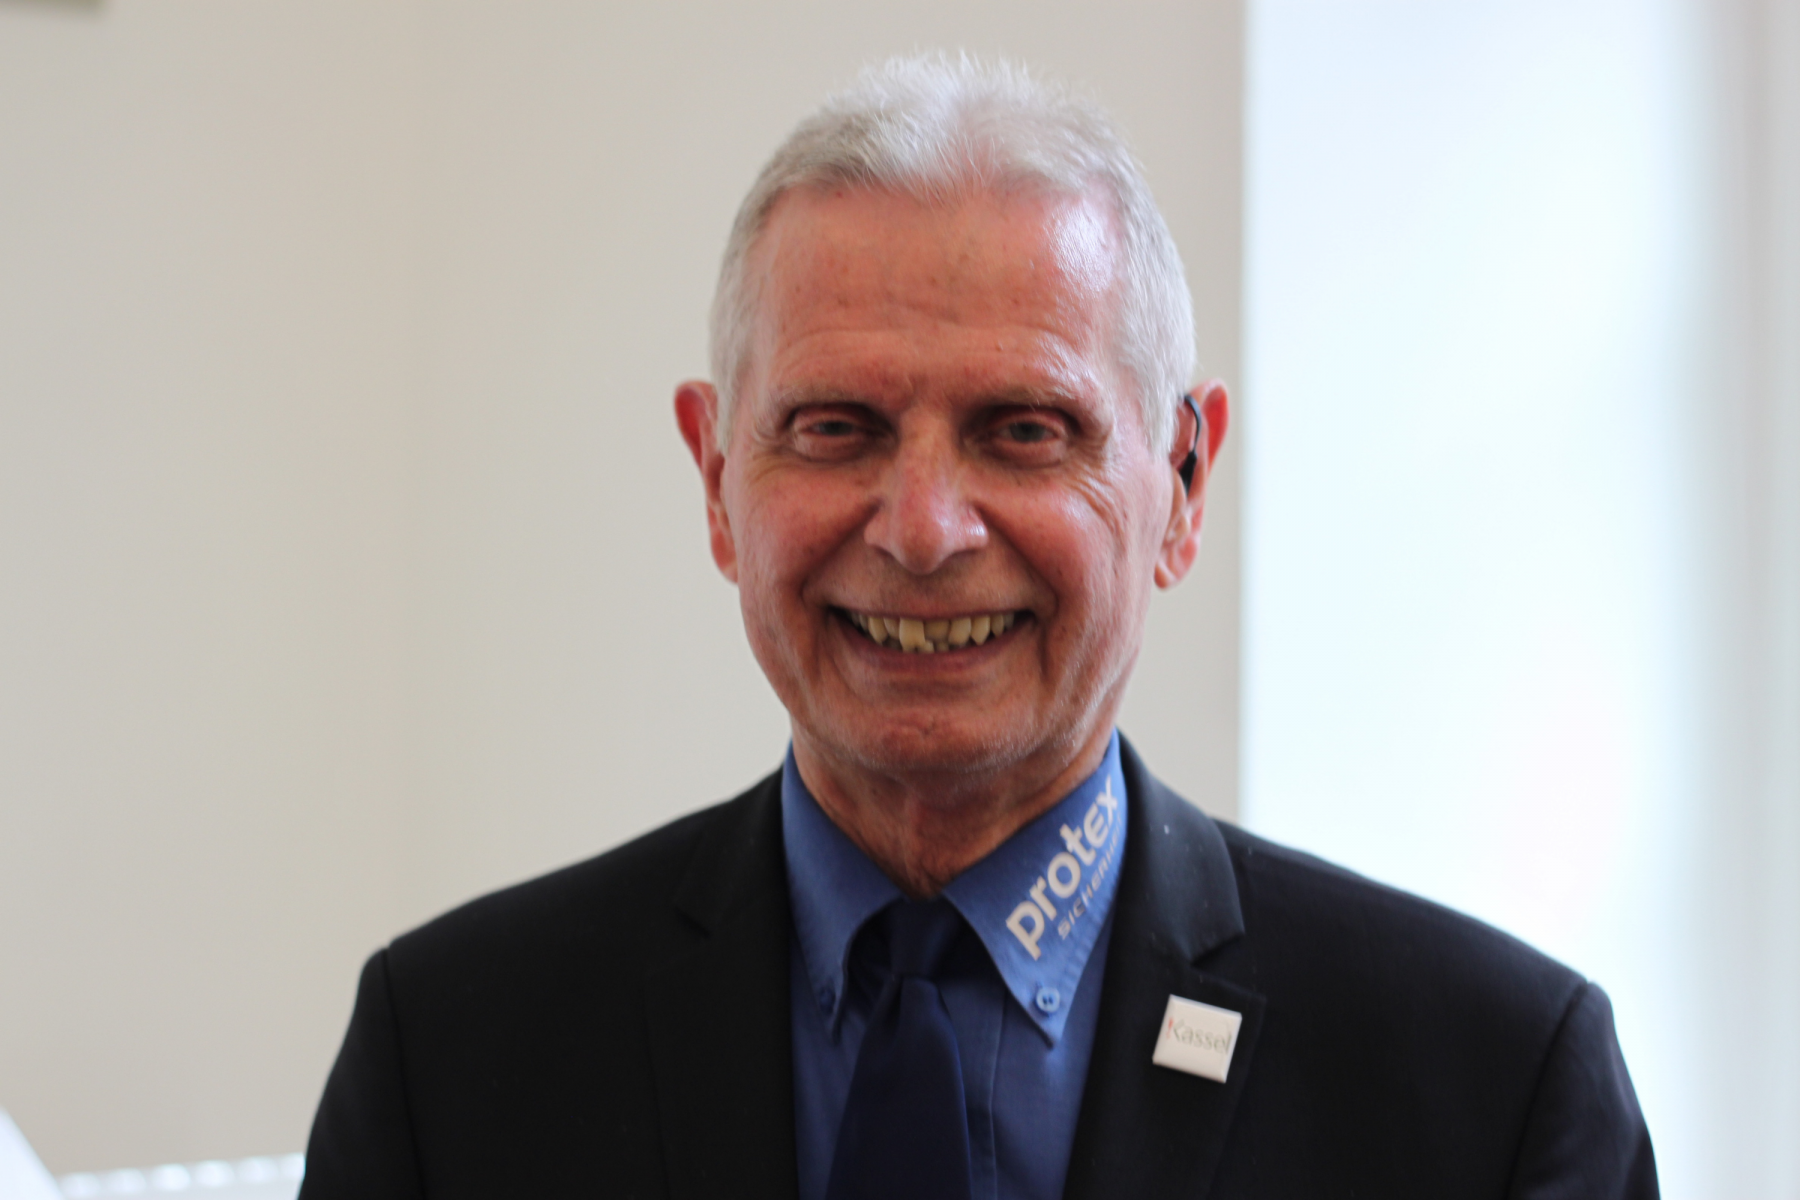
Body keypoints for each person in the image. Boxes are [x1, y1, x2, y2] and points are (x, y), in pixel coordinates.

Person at [297, 55, 1657, 1200]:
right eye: (837, 428)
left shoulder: (1491, 1090)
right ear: (715, 482)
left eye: (1025, 430)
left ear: (1183, 485)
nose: (924, 528)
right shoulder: (453, 1060)